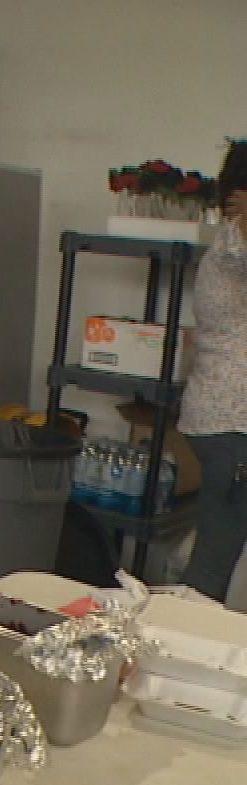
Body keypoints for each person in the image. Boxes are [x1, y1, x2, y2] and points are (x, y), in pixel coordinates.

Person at [179, 139, 247, 603]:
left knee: (219, 548)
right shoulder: (237, 238)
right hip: (231, 421)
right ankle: (187, 645)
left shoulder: (229, 239)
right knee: (214, 559)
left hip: (222, 417)